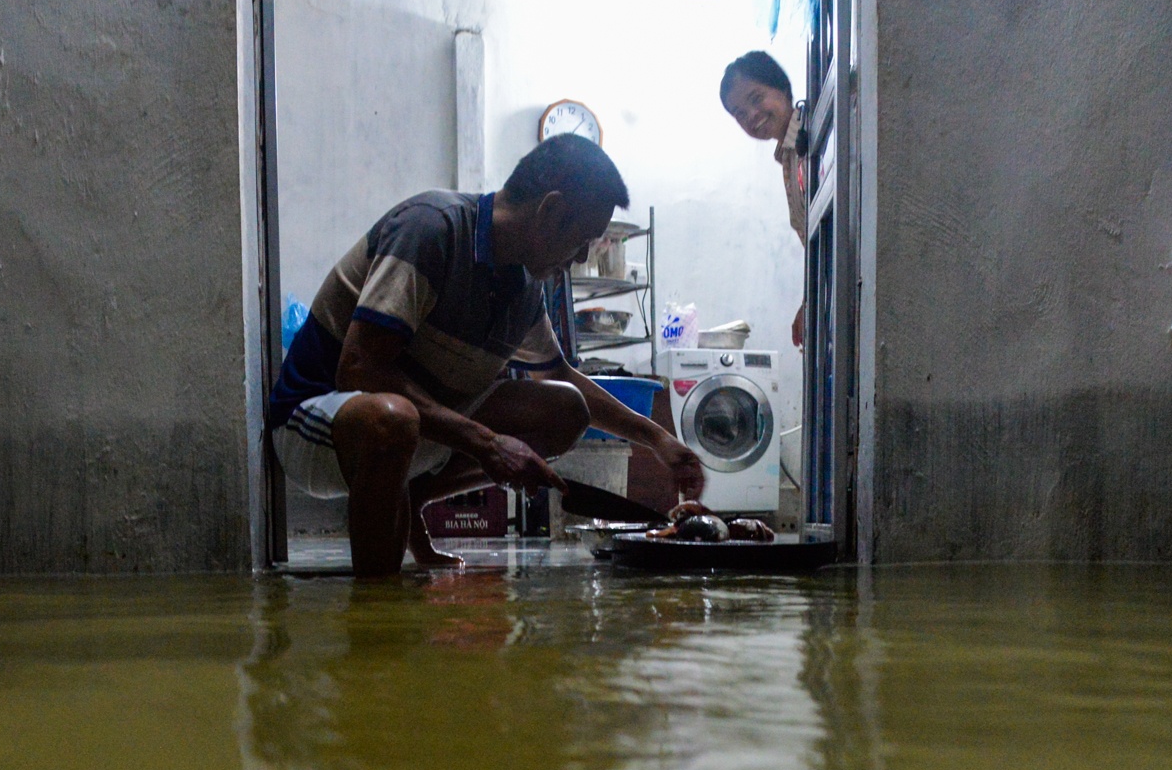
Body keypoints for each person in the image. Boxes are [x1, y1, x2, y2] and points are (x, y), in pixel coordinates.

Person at [270, 134, 706, 577]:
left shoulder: (525, 287)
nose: (579, 258)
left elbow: (559, 375)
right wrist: (487, 443)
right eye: (582, 240)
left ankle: (412, 498)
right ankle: (376, 598)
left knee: (564, 410)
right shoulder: (431, 228)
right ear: (550, 210)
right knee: (393, 419)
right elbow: (360, 368)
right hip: (316, 424)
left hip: (413, 427)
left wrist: (659, 440)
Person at [719, 50, 806, 347]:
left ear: (782, 87)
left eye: (756, 99)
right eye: (739, 114)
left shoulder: (812, 138)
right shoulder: (789, 153)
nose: (751, 116)